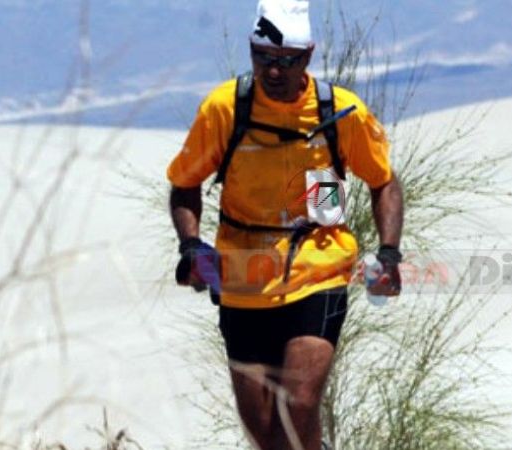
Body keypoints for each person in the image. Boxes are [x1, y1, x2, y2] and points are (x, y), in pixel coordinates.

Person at [166, 0, 403, 448]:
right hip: (243, 278)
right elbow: (184, 184)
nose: (273, 72)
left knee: (297, 406)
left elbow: (384, 182)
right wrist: (191, 245)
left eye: (286, 62)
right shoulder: (225, 110)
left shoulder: (340, 112)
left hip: (319, 267)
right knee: (264, 433)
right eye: (263, 59)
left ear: (308, 56)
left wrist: (389, 253)